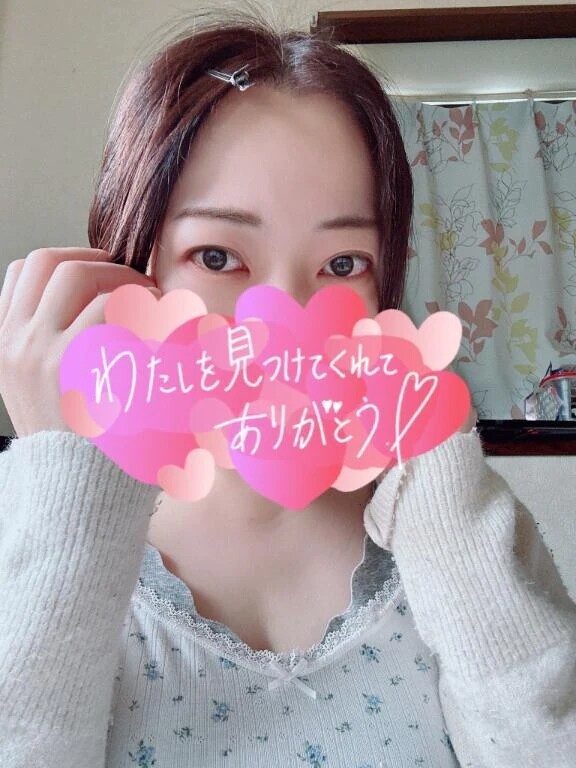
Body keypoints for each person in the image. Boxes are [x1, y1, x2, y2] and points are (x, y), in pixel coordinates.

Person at [1, 12, 575, 768]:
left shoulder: (452, 522)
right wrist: (67, 491)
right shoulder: (26, 522)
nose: (281, 319)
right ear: (131, 267)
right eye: (217, 256)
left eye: (342, 264)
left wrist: (438, 482)